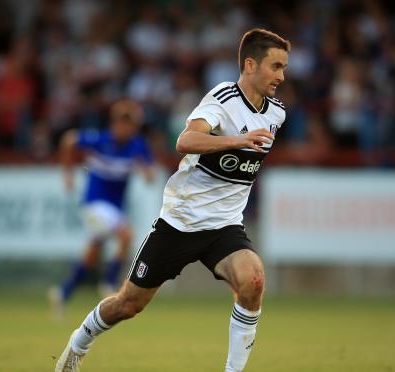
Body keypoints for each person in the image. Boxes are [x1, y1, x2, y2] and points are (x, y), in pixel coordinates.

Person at [55, 28, 290, 371]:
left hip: (223, 225)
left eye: (284, 67)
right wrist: (235, 142)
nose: (282, 76)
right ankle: (79, 342)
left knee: (253, 280)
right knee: (127, 305)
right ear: (250, 65)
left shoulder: (276, 114)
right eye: (276, 66)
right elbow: (185, 141)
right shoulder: (221, 99)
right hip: (181, 221)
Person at [49, 99, 154, 317]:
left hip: (114, 208)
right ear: (113, 123)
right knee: (127, 235)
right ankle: (108, 283)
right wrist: (67, 174)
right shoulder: (99, 140)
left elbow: (149, 171)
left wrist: (146, 172)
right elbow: (69, 140)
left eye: (130, 123)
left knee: (93, 253)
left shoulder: (137, 145)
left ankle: (63, 292)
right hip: (94, 205)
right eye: (121, 122)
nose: (125, 128)